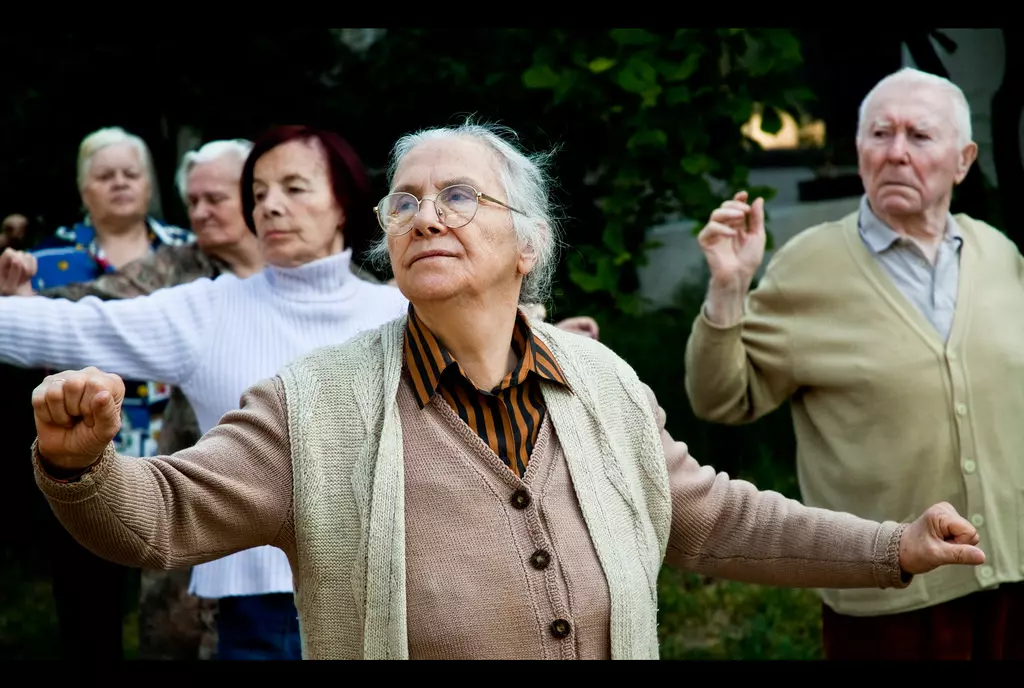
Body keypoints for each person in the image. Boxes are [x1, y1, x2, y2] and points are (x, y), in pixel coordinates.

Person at [27, 119, 985, 660]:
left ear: (528, 246)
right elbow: (159, 519)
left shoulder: (601, 383)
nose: (425, 215)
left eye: (457, 197)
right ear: (387, 248)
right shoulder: (311, 406)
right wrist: (80, 465)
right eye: (404, 201)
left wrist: (891, 546)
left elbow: (713, 518)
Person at [683, 67, 1024, 660]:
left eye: (919, 137)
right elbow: (721, 400)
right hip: (889, 589)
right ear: (859, 149)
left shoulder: (999, 253)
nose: (895, 153)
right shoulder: (808, 266)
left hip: (1015, 573)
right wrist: (727, 292)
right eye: (879, 135)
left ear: (963, 160)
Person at [0, 126, 193, 662]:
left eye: (131, 174)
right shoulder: (46, 257)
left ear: (150, 186)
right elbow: (28, 354)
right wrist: (16, 302)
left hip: (174, 439)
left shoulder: (186, 250)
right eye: (105, 176)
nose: (120, 184)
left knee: (178, 591)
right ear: (84, 189)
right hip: (85, 448)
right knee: (87, 596)